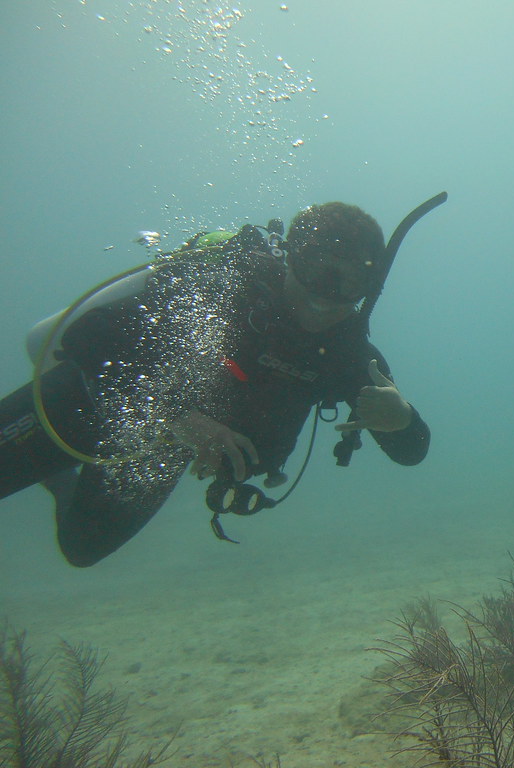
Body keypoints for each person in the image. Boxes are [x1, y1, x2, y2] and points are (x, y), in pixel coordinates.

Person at [0, 199, 440, 566]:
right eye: (318, 270)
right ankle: (56, 456)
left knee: (82, 548)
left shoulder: (348, 354)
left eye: (351, 282)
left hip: (154, 448)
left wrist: (400, 420)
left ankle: (59, 480)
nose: (327, 295)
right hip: (88, 398)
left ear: (371, 285)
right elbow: (87, 337)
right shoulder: (227, 286)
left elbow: (412, 451)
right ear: (289, 256)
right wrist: (176, 415)